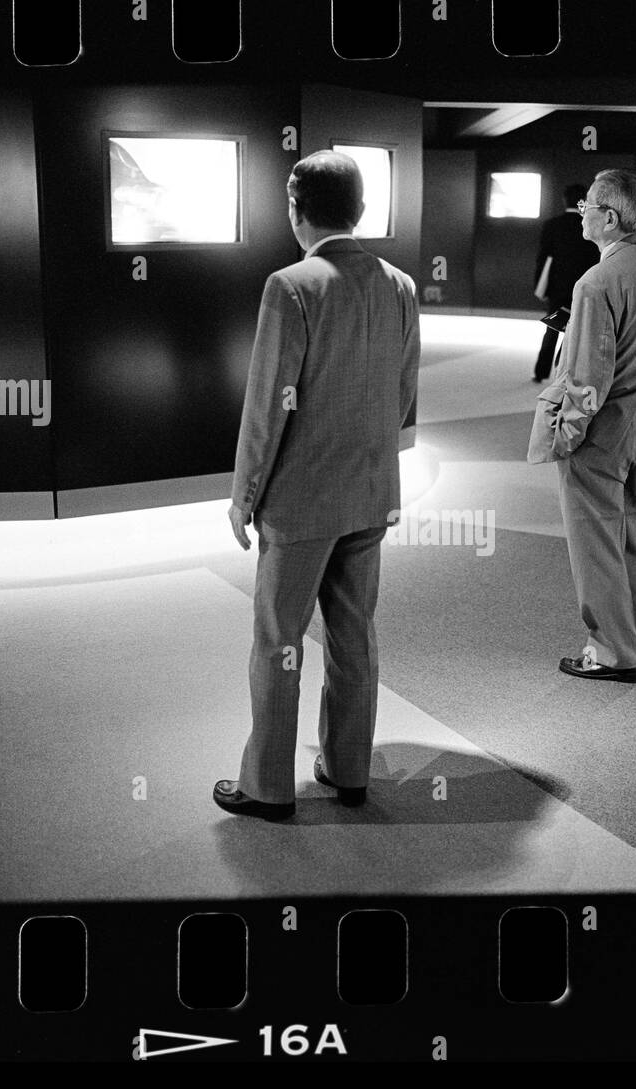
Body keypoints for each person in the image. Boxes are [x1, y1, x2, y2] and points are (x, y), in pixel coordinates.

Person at [215, 150, 420, 820]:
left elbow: (267, 404)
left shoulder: (291, 285)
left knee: (278, 639)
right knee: (354, 633)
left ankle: (268, 786)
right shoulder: (400, 284)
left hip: (302, 501)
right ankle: (348, 768)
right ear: (359, 209)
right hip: (372, 489)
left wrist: (244, 495)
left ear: (297, 208)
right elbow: (404, 394)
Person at [528, 168, 636, 681]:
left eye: (588, 206)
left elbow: (586, 380)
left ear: (608, 215)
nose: (581, 213)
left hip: (605, 434)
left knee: (596, 545)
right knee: (631, 532)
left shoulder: (596, 281)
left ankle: (611, 653)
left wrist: (566, 437)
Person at [532, 183, 599, 382]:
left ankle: (541, 371)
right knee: (576, 329)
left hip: (557, 287)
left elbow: (542, 257)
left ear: (564, 200)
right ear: (584, 202)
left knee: (552, 327)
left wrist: (539, 285)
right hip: (582, 287)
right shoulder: (588, 226)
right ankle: (562, 369)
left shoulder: (552, 225)